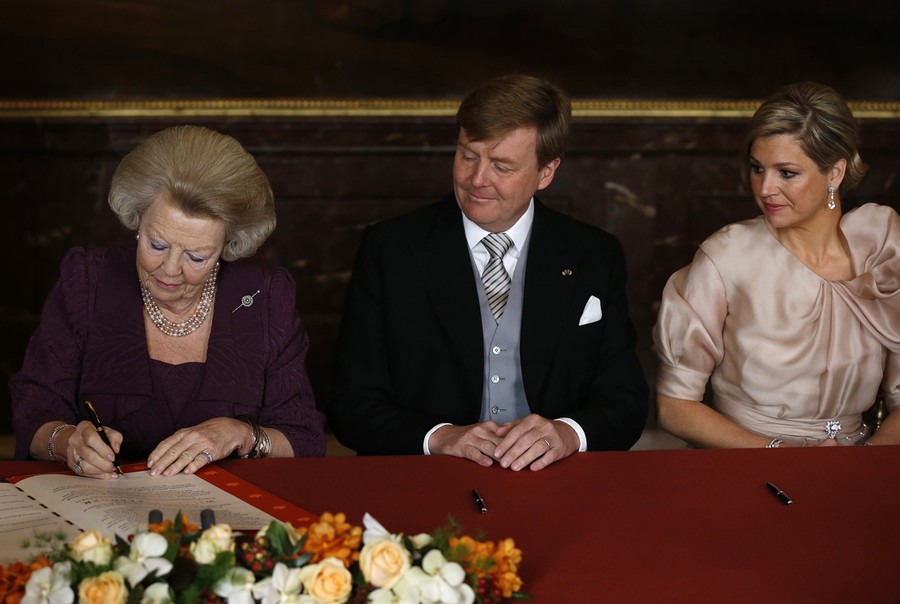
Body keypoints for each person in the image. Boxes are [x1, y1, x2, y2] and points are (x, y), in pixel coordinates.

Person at [329, 74, 649, 471]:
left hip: (556, 479)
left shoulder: (594, 254)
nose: (477, 180)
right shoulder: (390, 249)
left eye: (501, 166)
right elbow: (350, 403)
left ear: (546, 172)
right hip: (428, 477)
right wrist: (439, 437)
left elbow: (626, 401)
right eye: (468, 156)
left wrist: (567, 434)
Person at [10, 125, 326, 479]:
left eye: (196, 256)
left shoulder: (263, 298)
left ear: (228, 245)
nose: (170, 269)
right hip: (102, 503)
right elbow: (34, 409)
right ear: (137, 220)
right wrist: (67, 440)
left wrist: (243, 434)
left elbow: (304, 438)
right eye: (157, 245)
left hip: (230, 506)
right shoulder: (88, 282)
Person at [653, 81, 899, 448]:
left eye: (786, 172)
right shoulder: (727, 256)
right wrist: (779, 456)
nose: (764, 188)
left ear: (834, 173)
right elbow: (674, 406)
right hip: (747, 462)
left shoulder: (883, 248)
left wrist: (862, 461)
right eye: (757, 168)